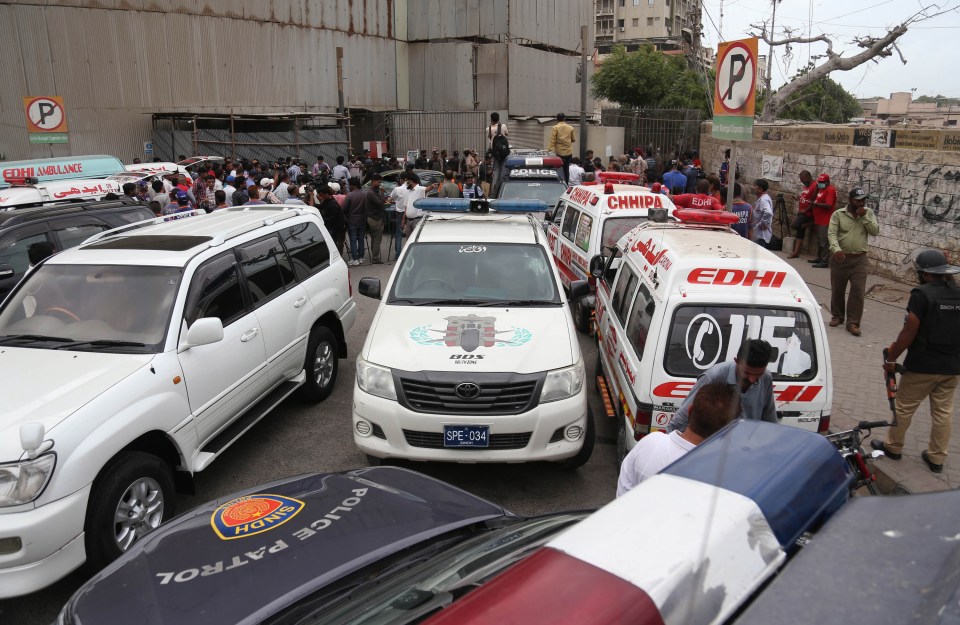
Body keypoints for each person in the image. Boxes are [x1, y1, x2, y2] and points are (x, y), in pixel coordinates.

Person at [872, 249, 960, 473]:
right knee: (943, 413)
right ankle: (937, 458)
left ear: (926, 274)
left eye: (920, 272)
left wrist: (892, 358)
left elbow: (909, 332)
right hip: (951, 366)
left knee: (903, 407)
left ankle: (893, 447)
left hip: (922, 365)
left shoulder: (922, 295)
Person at [617, 382, 740, 497]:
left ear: (690, 410)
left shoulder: (650, 443)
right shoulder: (723, 477)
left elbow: (623, 493)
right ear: (729, 432)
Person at [667, 339, 778, 434]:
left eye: (758, 375)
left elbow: (769, 421)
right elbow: (680, 420)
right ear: (737, 361)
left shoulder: (766, 378)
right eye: (747, 373)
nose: (752, 379)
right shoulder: (713, 377)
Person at [827, 187, 879, 337]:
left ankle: (853, 322)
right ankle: (837, 315)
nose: (860, 203)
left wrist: (864, 217)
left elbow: (875, 231)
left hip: (859, 259)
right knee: (838, 289)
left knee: (857, 290)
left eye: (863, 200)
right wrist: (836, 249)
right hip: (840, 258)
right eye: (857, 200)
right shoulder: (838, 215)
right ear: (850, 200)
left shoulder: (868, 213)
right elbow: (832, 234)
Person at [810, 173, 837, 268]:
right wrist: (816, 189)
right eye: (819, 182)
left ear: (828, 182)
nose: (820, 183)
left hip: (825, 220)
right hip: (818, 219)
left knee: (824, 241)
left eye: (822, 182)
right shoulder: (821, 189)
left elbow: (828, 205)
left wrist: (816, 205)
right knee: (819, 240)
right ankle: (819, 257)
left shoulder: (830, 190)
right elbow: (812, 199)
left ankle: (824, 261)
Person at [788, 170, 817, 258]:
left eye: (803, 179)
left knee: (794, 225)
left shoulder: (815, 186)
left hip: (807, 213)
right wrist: (799, 198)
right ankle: (796, 252)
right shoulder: (806, 186)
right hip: (802, 211)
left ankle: (811, 223)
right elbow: (806, 198)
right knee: (800, 233)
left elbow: (815, 201)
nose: (802, 182)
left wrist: (806, 210)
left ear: (808, 177)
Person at [403, 172, 439, 237]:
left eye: (406, 180)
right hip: (408, 220)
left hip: (416, 220)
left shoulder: (419, 189)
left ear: (410, 181)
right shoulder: (408, 191)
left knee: (416, 238)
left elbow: (427, 189)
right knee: (408, 240)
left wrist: (432, 186)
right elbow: (406, 207)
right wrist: (404, 219)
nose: (405, 183)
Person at [342, 177, 367, 266]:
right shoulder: (364, 194)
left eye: (349, 185)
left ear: (353, 185)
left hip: (352, 220)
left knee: (353, 240)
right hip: (362, 219)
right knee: (361, 239)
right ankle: (361, 257)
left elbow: (344, 208)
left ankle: (354, 258)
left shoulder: (349, 195)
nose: (348, 186)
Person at [317, 185, 346, 256]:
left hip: (336, 228)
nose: (322, 197)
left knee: (335, 244)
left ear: (327, 194)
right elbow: (320, 206)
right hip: (334, 228)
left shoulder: (332, 204)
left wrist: (321, 219)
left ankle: (338, 257)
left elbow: (332, 219)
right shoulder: (327, 201)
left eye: (322, 195)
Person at [547, 113, 575, 184]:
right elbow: (573, 139)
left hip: (559, 152)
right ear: (564, 118)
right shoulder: (570, 128)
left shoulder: (555, 128)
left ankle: (559, 183)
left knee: (559, 169)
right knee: (566, 169)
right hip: (568, 152)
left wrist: (549, 149)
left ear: (557, 119)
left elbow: (553, 140)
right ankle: (566, 184)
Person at [365, 174, 386, 263]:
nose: (380, 184)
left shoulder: (374, 190)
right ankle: (375, 258)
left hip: (375, 217)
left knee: (375, 238)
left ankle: (374, 256)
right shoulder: (371, 193)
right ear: (373, 181)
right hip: (374, 218)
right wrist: (382, 193)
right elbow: (379, 203)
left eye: (380, 182)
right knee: (377, 239)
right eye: (378, 182)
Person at [387, 174, 409, 259]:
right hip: (409, 213)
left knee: (399, 234)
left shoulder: (397, 189)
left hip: (400, 213)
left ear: (401, 180)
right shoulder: (411, 189)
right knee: (409, 234)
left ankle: (398, 254)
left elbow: (390, 199)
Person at [487, 112, 510, 195]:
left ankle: (494, 191)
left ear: (491, 119)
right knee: (504, 170)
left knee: (496, 172)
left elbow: (490, 138)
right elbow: (507, 133)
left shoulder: (488, 129)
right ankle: (503, 188)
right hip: (504, 153)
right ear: (498, 118)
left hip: (495, 154)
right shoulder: (503, 126)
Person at [751, 178, 774, 248]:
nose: (752, 188)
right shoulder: (763, 198)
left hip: (761, 235)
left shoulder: (764, 200)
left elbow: (769, 212)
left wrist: (762, 223)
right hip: (758, 234)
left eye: (754, 187)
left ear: (760, 189)